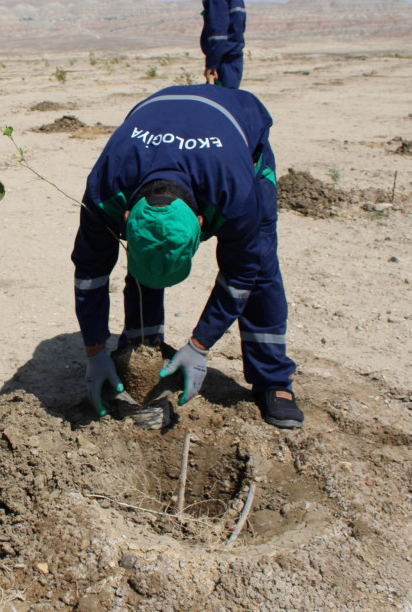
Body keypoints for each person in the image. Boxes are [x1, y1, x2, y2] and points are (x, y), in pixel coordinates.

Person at [72, 84, 304, 430]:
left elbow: (242, 274)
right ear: (126, 218)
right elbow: (90, 272)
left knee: (260, 262)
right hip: (160, 118)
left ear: (201, 223)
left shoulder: (236, 195)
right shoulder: (105, 187)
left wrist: (199, 345)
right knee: (151, 255)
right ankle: (143, 352)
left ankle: (273, 380)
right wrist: (94, 351)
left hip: (237, 138)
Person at [183, 0, 246, 89]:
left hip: (223, 62)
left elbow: (218, 33)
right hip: (232, 60)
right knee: (229, 97)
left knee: (221, 99)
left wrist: (212, 64)